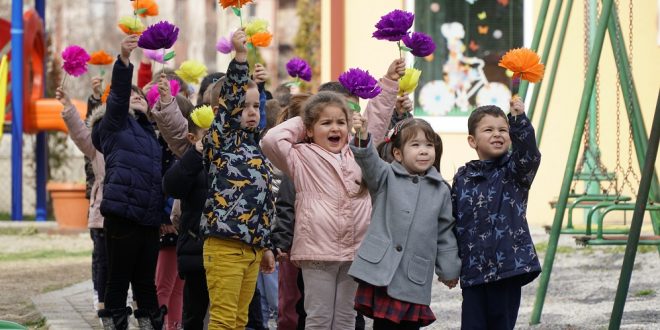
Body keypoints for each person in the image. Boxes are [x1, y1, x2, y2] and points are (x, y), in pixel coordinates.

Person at [262, 91, 372, 330]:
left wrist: (390, 84)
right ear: (309, 130)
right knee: (319, 319)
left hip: (354, 251)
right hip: (318, 252)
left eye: (340, 122)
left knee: (346, 319)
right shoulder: (300, 157)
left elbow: (378, 124)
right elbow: (271, 140)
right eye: (326, 122)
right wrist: (306, 119)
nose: (335, 128)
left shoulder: (357, 154)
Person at [348, 117, 461, 330]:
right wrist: (362, 136)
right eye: (415, 145)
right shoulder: (385, 176)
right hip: (383, 270)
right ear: (398, 154)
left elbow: (445, 234)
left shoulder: (441, 189)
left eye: (429, 145)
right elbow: (368, 161)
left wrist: (449, 270)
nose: (424, 150)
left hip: (413, 276)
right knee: (383, 326)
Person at [201, 28, 276, 330]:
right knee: (223, 320)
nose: (251, 112)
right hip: (224, 246)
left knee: (240, 320)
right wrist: (241, 57)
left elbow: (264, 200)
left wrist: (266, 244)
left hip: (252, 249)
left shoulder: (256, 147)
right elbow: (232, 97)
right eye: (244, 107)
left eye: (256, 106)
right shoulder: (222, 140)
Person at [91, 34, 167, 329]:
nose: (138, 97)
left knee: (146, 284)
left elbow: (154, 180)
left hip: (147, 220)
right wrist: (124, 60)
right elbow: (120, 95)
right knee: (118, 281)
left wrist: (161, 216)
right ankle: (115, 324)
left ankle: (150, 324)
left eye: (141, 96)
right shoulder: (113, 125)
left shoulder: (150, 136)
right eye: (132, 96)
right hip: (123, 215)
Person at [451, 97, 541, 330]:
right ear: (472, 140)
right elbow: (451, 224)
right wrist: (448, 264)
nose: (497, 134)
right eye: (488, 130)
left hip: (506, 271)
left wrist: (519, 121)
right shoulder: (462, 178)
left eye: (503, 130)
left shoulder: (514, 172)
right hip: (473, 273)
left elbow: (529, 156)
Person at [55, 84, 110, 326]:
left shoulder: (138, 139)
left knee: (123, 260)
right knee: (102, 257)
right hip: (102, 211)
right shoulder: (98, 146)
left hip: (130, 212)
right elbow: (81, 132)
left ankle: (122, 300)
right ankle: (101, 299)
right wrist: (68, 105)